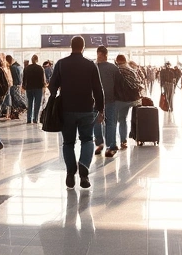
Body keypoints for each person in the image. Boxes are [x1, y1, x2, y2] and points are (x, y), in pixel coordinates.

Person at [49, 36, 104, 189]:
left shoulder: (61, 64)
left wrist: (57, 94)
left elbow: (52, 86)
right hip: (86, 109)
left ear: (71, 46)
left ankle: (70, 173)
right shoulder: (90, 65)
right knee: (87, 140)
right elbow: (98, 90)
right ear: (83, 47)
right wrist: (100, 109)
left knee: (68, 143)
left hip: (66, 109)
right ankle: (84, 171)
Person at [92, 46, 119, 156]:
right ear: (106, 55)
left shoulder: (93, 67)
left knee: (96, 122)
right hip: (110, 99)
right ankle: (111, 146)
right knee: (110, 123)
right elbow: (118, 84)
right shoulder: (113, 68)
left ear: (99, 54)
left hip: (95, 99)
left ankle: (100, 143)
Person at [113, 55, 142, 154]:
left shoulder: (115, 71)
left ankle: (113, 143)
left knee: (114, 121)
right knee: (123, 120)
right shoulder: (131, 70)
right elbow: (138, 84)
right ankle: (123, 141)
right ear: (125, 61)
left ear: (117, 61)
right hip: (129, 100)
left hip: (118, 100)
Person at [22, 56, 47, 124]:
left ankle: (29, 119)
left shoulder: (27, 68)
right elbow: (43, 79)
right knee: (37, 104)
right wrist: (44, 86)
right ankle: (35, 119)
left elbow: (24, 79)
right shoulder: (40, 68)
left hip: (29, 88)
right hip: (38, 88)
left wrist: (24, 86)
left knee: (29, 103)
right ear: (37, 60)